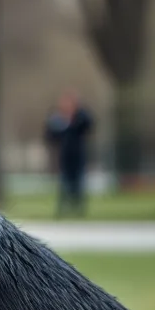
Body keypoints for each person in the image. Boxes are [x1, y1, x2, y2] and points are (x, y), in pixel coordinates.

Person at [45, 90, 94, 218]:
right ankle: (63, 210)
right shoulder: (58, 119)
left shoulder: (80, 117)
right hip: (65, 157)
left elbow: (88, 125)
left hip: (78, 156)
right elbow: (50, 135)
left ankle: (78, 210)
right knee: (64, 185)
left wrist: (77, 115)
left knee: (79, 185)